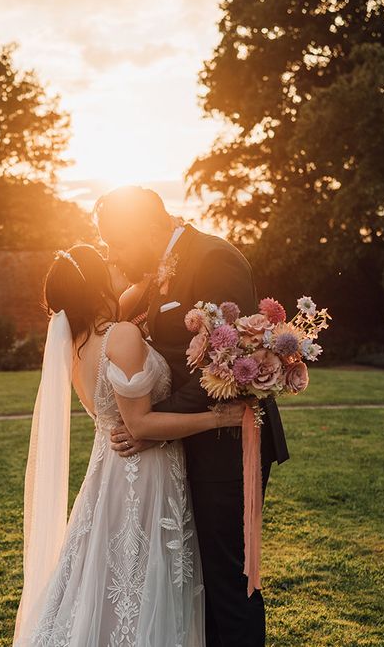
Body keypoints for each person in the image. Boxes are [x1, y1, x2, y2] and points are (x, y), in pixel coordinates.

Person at [13, 244, 249, 646]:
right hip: (143, 473)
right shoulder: (120, 335)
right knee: (142, 575)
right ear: (96, 282)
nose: (115, 262)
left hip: (108, 472)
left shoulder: (76, 347)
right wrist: (218, 417)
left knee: (107, 576)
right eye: (105, 262)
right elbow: (139, 423)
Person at [96, 186, 290, 647]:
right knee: (201, 581)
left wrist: (150, 424)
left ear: (146, 228)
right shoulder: (163, 268)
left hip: (229, 445)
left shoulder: (213, 258)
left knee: (229, 583)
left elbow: (228, 361)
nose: (114, 254)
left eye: (117, 243)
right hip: (195, 444)